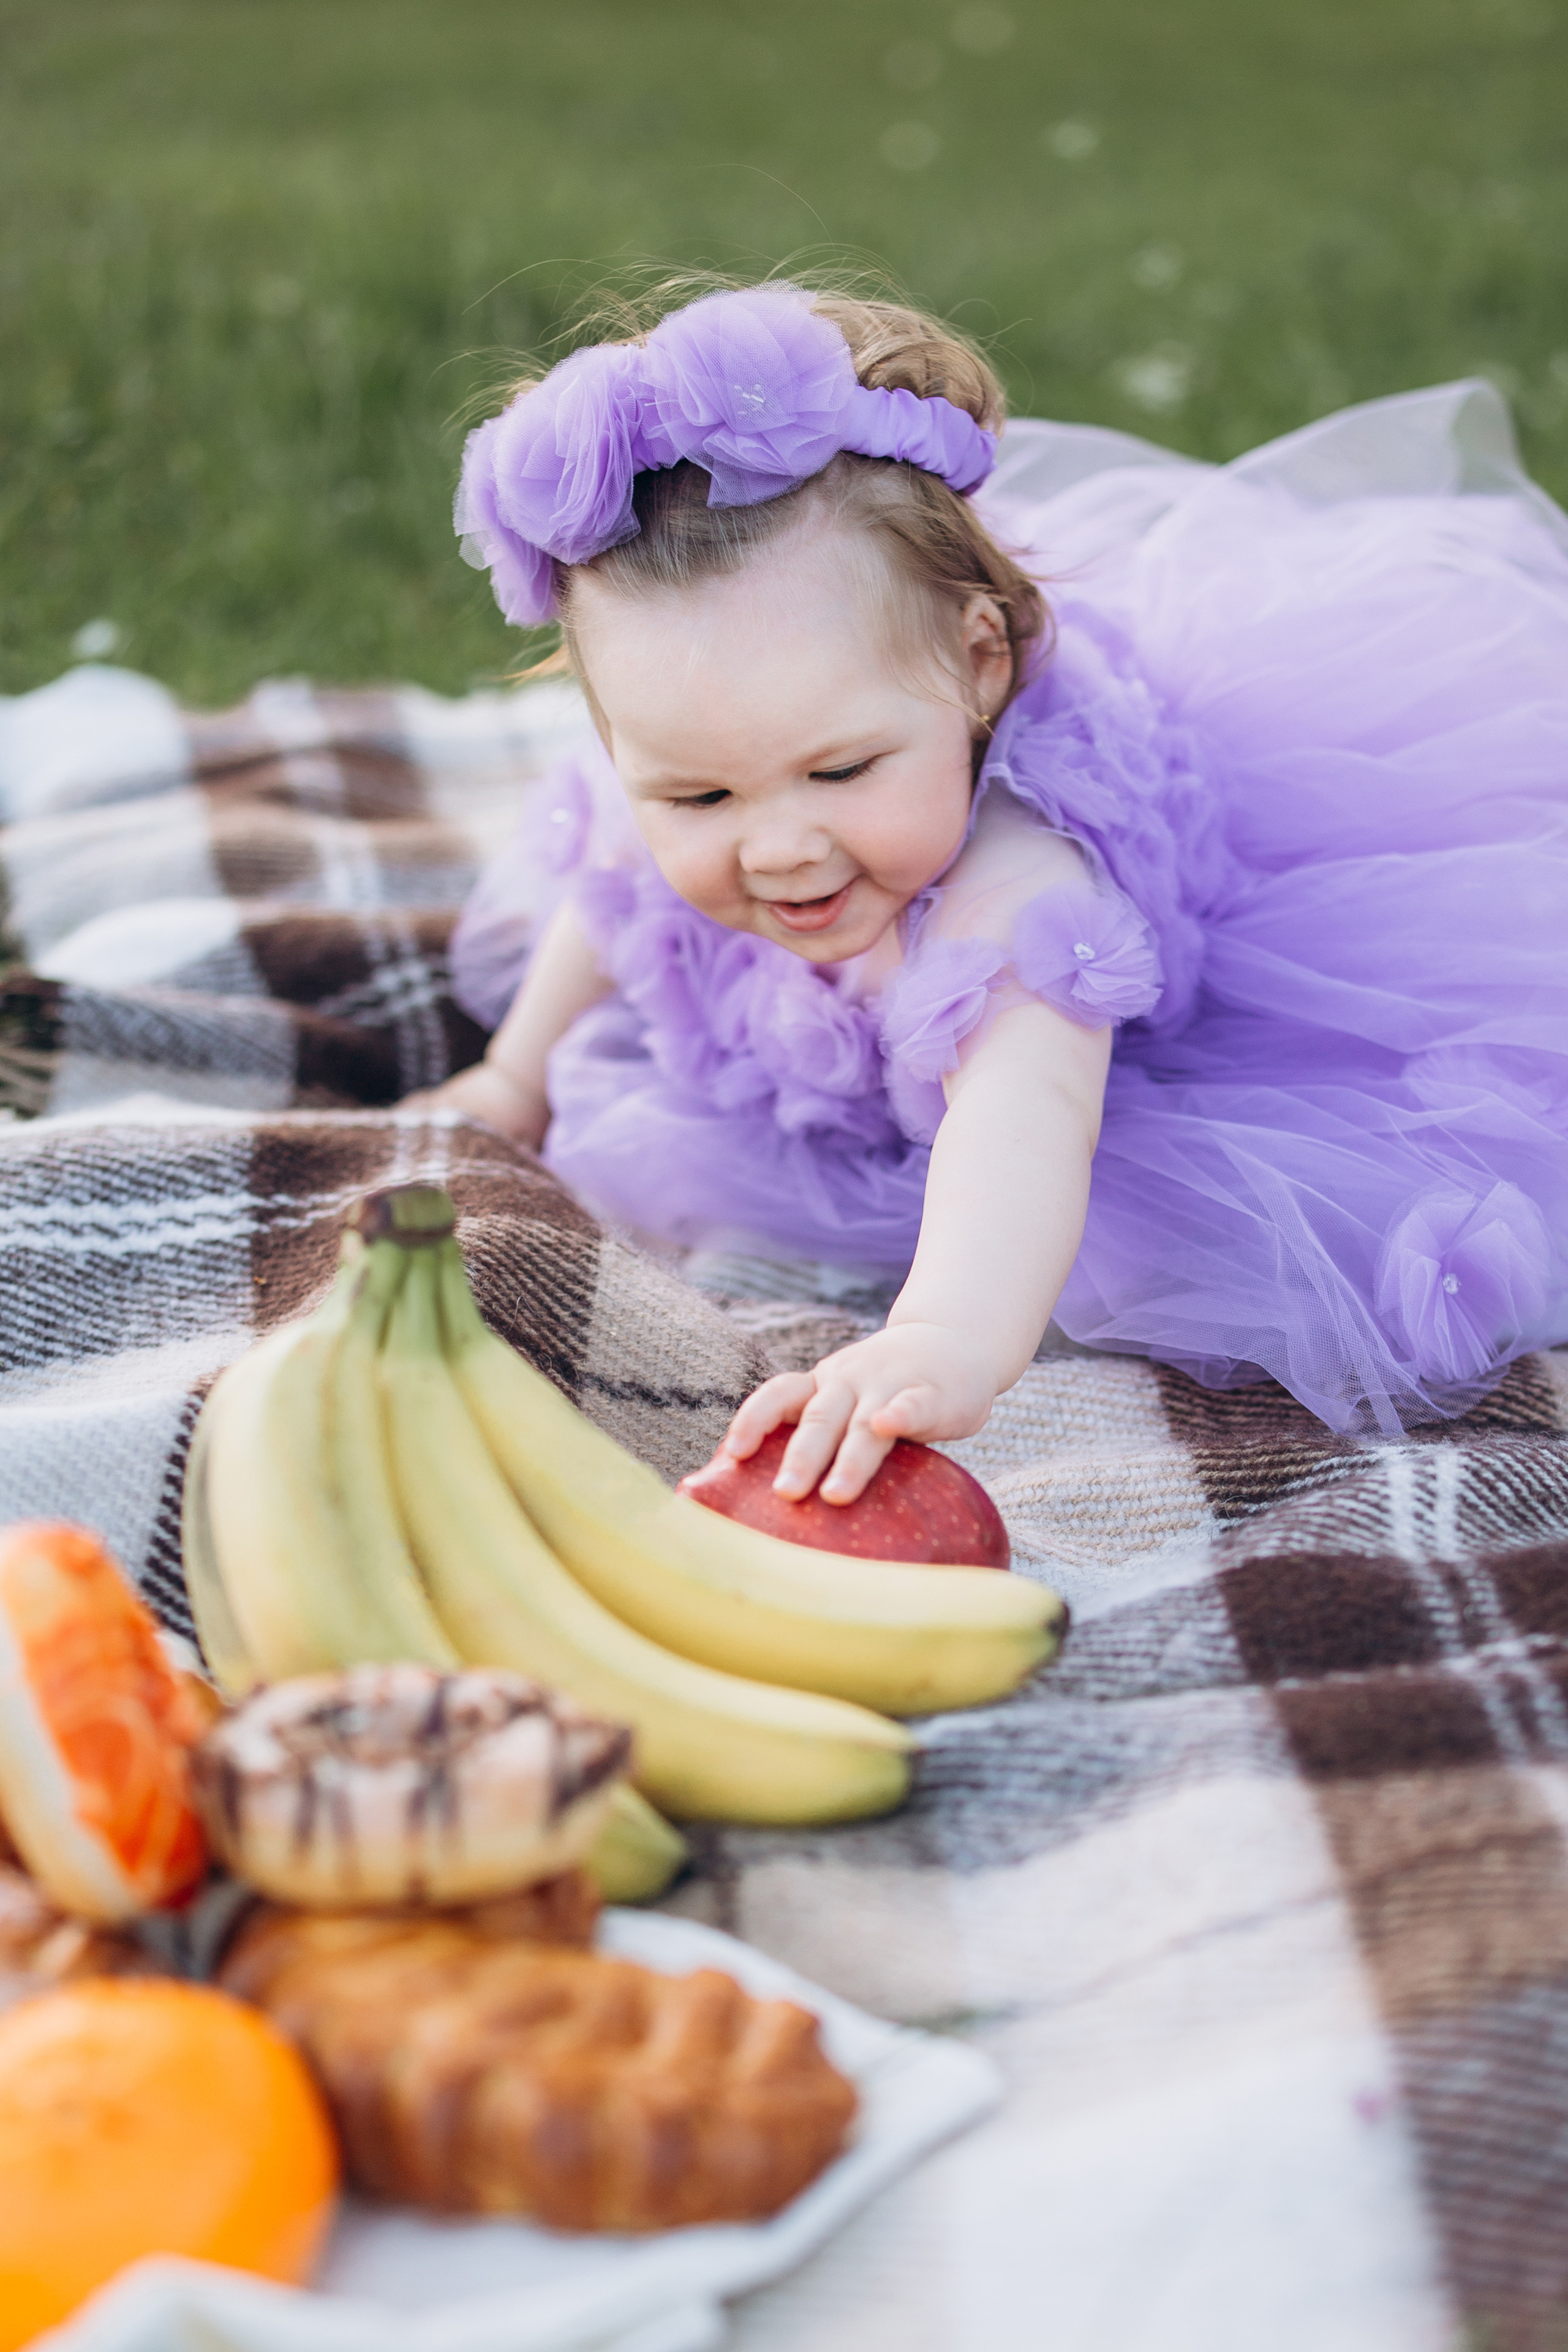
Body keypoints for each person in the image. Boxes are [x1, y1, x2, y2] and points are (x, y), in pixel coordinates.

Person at [423, 279, 1568, 1505]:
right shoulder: (704, 744)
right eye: (698, 800)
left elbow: (1021, 1110)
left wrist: (944, 1335)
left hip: (1143, 1035)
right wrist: (519, 1070)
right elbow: (609, 887)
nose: (777, 847)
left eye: (840, 770)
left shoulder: (1014, 884)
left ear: (978, 665)